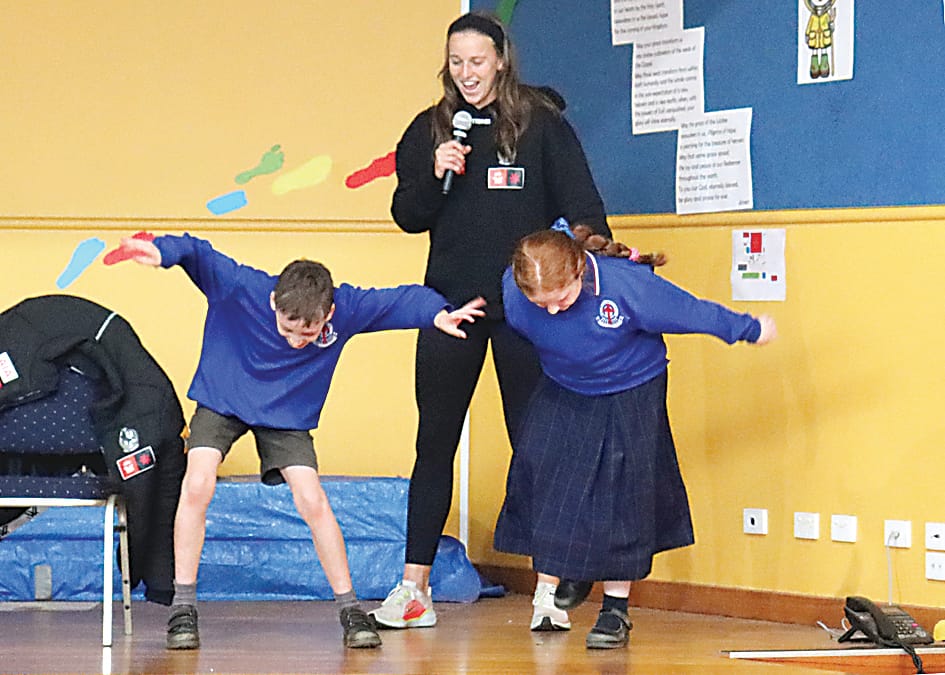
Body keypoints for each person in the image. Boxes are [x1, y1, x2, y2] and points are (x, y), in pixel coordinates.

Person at [116, 233, 485, 650]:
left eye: (308, 335)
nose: (296, 341)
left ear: (328, 313)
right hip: (224, 399)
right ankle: (183, 607)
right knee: (197, 483)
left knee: (312, 500)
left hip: (285, 416)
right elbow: (197, 253)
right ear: (275, 302)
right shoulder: (241, 287)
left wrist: (436, 314)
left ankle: (350, 609)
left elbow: (399, 300)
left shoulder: (345, 311)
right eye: (289, 329)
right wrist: (163, 252)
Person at [373, 10, 612, 633]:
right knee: (435, 443)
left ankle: (549, 589)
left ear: (501, 61)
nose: (466, 73)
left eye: (477, 61)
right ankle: (413, 587)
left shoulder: (542, 126)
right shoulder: (429, 130)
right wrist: (436, 170)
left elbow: (585, 210)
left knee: (534, 444)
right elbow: (408, 215)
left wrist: (586, 267)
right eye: (456, 62)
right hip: (451, 310)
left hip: (524, 313)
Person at [493, 225, 777, 649]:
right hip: (564, 385)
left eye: (561, 300)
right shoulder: (515, 291)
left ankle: (615, 612)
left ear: (579, 272)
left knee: (621, 493)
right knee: (546, 477)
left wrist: (748, 328)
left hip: (630, 388)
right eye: (541, 304)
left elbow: (690, 311)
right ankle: (570, 569)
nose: (551, 312)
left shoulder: (626, 288)